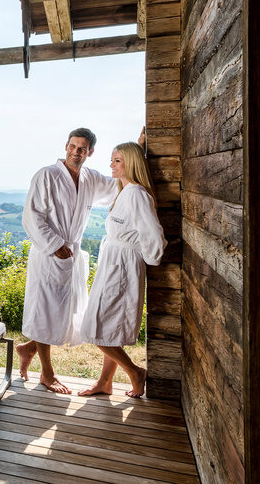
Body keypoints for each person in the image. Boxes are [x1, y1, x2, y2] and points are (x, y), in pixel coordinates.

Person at [17, 128, 119, 393]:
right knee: (45, 312)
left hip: (71, 253)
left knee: (64, 311)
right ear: (66, 146)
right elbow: (32, 216)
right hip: (49, 253)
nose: (76, 152)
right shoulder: (47, 175)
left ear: (90, 152)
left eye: (82, 148)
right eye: (73, 146)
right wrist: (55, 246)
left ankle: (27, 349)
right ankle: (47, 374)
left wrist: (139, 151)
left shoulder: (90, 179)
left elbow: (118, 185)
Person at [78, 141, 166, 398]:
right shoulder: (124, 190)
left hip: (123, 267)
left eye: (117, 160)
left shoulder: (137, 194)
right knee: (108, 328)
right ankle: (105, 382)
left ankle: (135, 372)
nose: (111, 165)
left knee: (97, 329)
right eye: (112, 160)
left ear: (131, 163)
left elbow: (154, 236)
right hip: (113, 262)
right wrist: (138, 144)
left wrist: (149, 260)